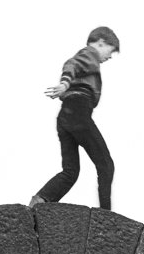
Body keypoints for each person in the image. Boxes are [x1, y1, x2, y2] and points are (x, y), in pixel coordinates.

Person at [28, 27, 120, 210]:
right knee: (106, 164)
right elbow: (72, 64)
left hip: (65, 117)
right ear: (101, 42)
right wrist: (65, 82)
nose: (109, 57)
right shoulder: (90, 54)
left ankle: (39, 202)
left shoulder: (91, 59)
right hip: (78, 111)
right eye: (110, 51)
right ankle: (106, 217)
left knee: (70, 172)